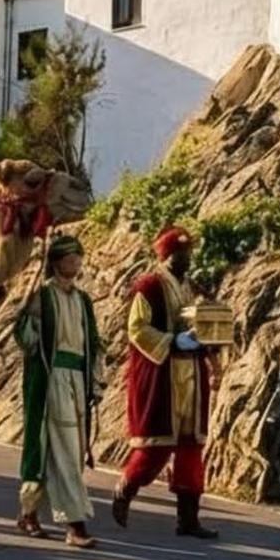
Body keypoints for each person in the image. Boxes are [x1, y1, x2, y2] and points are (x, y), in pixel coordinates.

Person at [112, 226, 220, 539]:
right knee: (156, 446)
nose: (187, 258)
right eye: (181, 253)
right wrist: (173, 342)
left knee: (191, 448)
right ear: (166, 255)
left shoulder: (191, 286)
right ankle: (125, 490)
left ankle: (188, 520)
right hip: (162, 374)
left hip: (190, 376)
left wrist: (211, 358)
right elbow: (137, 328)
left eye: (189, 252)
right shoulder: (149, 286)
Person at [12, 235, 103, 549]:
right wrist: (29, 313)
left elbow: (93, 342)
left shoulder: (83, 300)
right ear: (56, 262)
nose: (76, 264)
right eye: (70, 259)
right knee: (59, 449)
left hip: (77, 379)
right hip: (50, 380)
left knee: (68, 450)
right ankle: (75, 525)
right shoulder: (42, 295)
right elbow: (26, 341)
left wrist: (95, 381)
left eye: (79, 259)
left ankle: (28, 514)